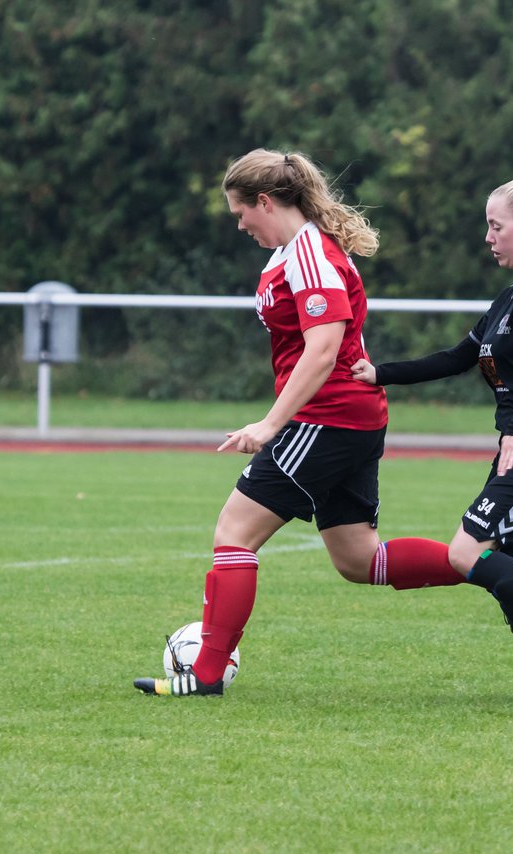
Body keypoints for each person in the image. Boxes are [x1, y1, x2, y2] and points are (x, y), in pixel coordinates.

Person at [134, 149, 464, 698]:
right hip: (347, 416)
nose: (239, 224)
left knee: (234, 534)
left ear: (266, 201)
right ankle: (495, 569)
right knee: (359, 559)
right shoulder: (292, 250)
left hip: (325, 416)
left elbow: (323, 349)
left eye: (241, 212)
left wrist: (269, 425)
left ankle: (206, 675)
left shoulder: (308, 251)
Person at [351, 175, 513, 701]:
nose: (488, 237)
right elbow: (456, 357)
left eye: (496, 226)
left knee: (466, 553)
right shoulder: (510, 298)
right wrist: (379, 374)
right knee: (500, 568)